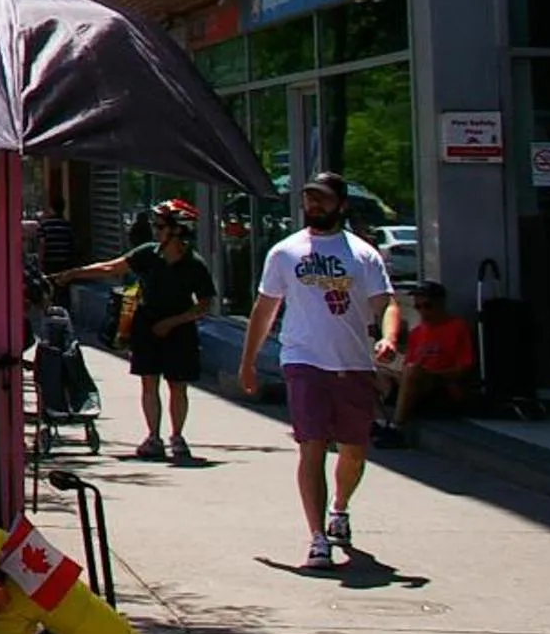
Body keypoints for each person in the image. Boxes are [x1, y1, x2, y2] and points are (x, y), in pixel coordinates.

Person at [239, 171, 400, 569]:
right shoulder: (285, 252)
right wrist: (248, 362)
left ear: (341, 205)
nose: (314, 205)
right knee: (311, 445)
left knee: (354, 451)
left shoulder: (363, 255)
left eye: (322, 199)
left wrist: (389, 337)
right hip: (303, 360)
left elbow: (387, 304)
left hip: (353, 362)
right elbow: (264, 309)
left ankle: (339, 509)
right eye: (309, 198)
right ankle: (317, 539)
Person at [51, 197, 217, 463]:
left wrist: (172, 322)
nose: (156, 230)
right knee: (148, 382)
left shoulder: (194, 264)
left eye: (161, 226)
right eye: (155, 225)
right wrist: (74, 273)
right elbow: (111, 267)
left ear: (178, 230)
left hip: (179, 331)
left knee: (178, 386)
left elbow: (205, 305)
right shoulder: (147, 254)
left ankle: (177, 437)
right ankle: (153, 437)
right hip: (147, 325)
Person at [376, 280, 476, 446]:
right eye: (418, 307)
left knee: (413, 370)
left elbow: (465, 367)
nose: (423, 311)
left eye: (427, 306)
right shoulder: (417, 332)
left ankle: (397, 427)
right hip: (415, 383)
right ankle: (379, 422)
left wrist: (429, 374)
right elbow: (408, 366)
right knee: (370, 373)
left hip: (442, 388)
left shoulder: (457, 327)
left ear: (440, 304)